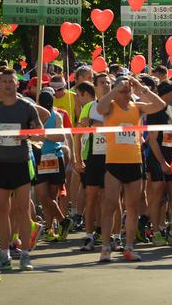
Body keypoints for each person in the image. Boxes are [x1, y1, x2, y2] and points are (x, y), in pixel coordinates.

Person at [97, 75, 165, 262]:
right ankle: (105, 247)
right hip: (114, 162)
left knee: (133, 207)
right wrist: (114, 89)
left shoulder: (138, 107)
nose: (127, 94)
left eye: (129, 90)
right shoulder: (110, 106)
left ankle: (129, 246)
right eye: (124, 90)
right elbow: (99, 107)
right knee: (110, 205)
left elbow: (159, 106)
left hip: (134, 162)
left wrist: (141, 88)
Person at [0, 69, 44, 271]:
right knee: (2, 210)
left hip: (21, 163)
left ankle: (25, 254)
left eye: (12, 81)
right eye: (5, 81)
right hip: (1, 163)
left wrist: (27, 136)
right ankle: (4, 253)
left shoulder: (27, 107)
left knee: (22, 210)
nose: (8, 84)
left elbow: (40, 133)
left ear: (17, 84)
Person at [145, 81, 172, 246]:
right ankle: (156, 231)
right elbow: (153, 141)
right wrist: (162, 162)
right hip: (157, 158)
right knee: (158, 195)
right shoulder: (155, 111)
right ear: (165, 94)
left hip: (171, 155)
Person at [74, 75, 111, 251]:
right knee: (91, 196)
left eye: (109, 83)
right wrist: (78, 159)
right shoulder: (89, 107)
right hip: (92, 156)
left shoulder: (116, 105)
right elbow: (78, 134)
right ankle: (89, 236)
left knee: (109, 199)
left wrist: (97, 123)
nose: (106, 85)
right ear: (95, 87)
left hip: (112, 156)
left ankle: (109, 235)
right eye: (102, 83)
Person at [33, 91, 71, 242]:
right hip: (40, 157)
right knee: (44, 196)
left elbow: (60, 136)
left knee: (51, 195)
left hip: (54, 156)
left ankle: (49, 228)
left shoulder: (57, 116)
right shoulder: (35, 115)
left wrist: (44, 135)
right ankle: (63, 221)